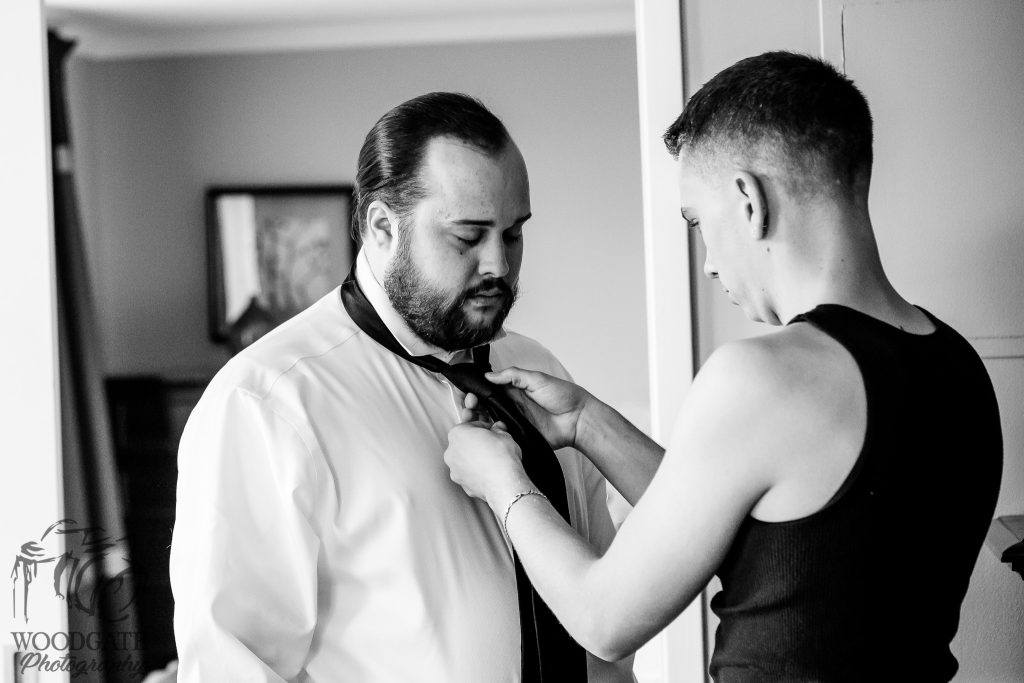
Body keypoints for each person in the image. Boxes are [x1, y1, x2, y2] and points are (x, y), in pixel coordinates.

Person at [444, 51, 1003, 681]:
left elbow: (604, 620)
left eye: (698, 222)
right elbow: (761, 538)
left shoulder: (764, 378)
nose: (708, 262)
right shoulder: (957, 365)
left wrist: (501, 481)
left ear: (748, 200)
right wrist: (586, 423)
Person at [170, 92, 633, 683]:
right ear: (383, 227)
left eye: (513, 234)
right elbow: (232, 666)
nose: (499, 264)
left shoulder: (540, 372)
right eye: (468, 237)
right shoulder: (269, 402)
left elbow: (604, 587)